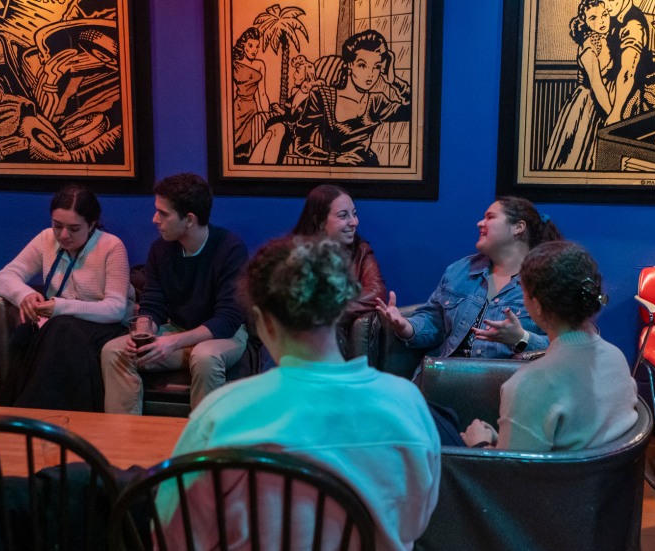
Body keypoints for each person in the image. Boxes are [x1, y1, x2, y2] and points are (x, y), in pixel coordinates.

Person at [155, 236, 440, 550]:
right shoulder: (407, 403)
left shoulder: (222, 413)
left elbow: (170, 531)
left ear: (263, 321)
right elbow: (416, 522)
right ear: (339, 309)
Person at [459, 241, 639, 451]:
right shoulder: (616, 358)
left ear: (536, 304)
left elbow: (511, 476)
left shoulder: (529, 385)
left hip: (558, 483)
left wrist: (480, 444)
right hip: (607, 482)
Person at [100, 173, 248, 413]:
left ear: (189, 219)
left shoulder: (229, 248)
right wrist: (144, 333)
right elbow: (153, 304)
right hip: (177, 330)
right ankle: (124, 438)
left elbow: (227, 320)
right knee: (114, 351)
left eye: (163, 213)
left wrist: (171, 342)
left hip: (223, 335)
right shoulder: (161, 249)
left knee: (205, 356)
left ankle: (202, 444)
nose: (154, 219)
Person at [0, 185, 134, 410]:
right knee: (30, 333)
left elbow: (115, 309)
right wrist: (26, 295)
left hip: (103, 326)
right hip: (57, 327)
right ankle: (21, 412)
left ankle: (30, 412)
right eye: (57, 226)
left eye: (74, 228)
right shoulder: (47, 240)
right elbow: (2, 278)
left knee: (62, 328)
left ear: (92, 223)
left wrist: (59, 307)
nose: (63, 235)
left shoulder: (111, 246)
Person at [376, 197, 562, 362]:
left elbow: (567, 342)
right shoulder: (460, 270)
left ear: (518, 227)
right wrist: (406, 326)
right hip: (442, 378)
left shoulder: (545, 279)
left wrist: (521, 338)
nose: (480, 223)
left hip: (503, 386)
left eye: (490, 217)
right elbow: (434, 322)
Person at [291, 184, 386, 355]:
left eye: (354, 214)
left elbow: (376, 292)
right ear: (319, 222)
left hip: (337, 334)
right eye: (343, 216)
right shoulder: (295, 254)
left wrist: (330, 310)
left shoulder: (361, 251)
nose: (354, 222)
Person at [293, 29, 411, 166]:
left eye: (377, 67)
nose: (371, 74)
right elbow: (301, 145)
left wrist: (394, 81)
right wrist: (333, 158)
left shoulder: (377, 101)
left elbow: (414, 111)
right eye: (362, 65)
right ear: (350, 64)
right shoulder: (322, 97)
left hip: (370, 170)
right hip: (335, 173)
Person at [543, 0, 614, 170]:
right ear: (585, 22)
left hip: (604, 97)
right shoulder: (589, 48)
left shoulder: (606, 40)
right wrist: (612, 116)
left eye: (604, 15)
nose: (601, 21)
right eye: (593, 18)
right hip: (588, 103)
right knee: (577, 152)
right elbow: (597, 85)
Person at [232, 27, 271, 161]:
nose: (254, 50)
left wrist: (267, 116)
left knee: (248, 147)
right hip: (237, 109)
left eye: (257, 46)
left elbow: (262, 94)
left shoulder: (260, 65)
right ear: (243, 45)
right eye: (250, 45)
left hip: (252, 109)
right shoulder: (234, 64)